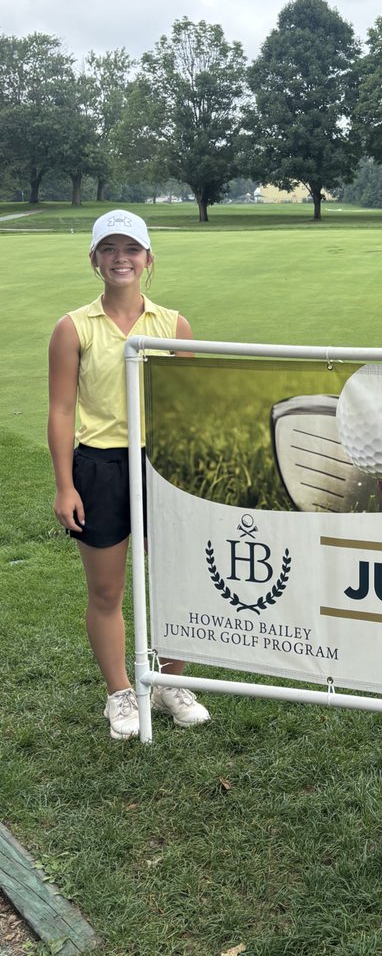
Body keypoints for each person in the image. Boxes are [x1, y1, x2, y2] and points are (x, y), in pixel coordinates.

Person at [48, 210, 211, 739]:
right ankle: (121, 693)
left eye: (132, 249)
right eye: (110, 249)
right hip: (99, 465)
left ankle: (167, 682)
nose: (122, 258)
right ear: (94, 259)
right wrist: (65, 484)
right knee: (106, 590)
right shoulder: (73, 327)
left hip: (161, 462)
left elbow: (186, 407)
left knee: (182, 585)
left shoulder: (173, 324)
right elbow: (62, 411)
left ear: (148, 259)